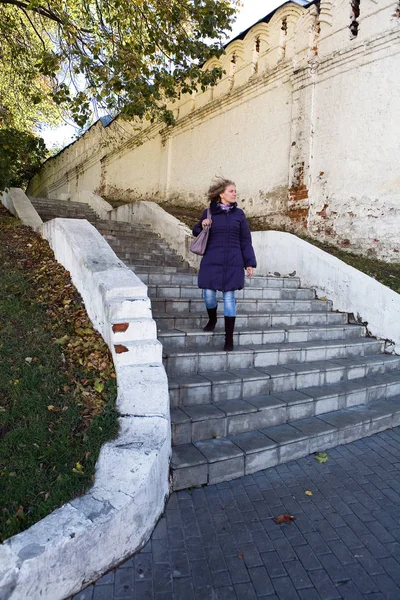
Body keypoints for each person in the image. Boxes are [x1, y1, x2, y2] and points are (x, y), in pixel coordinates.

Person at [192, 178, 257, 351]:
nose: (235, 193)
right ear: (221, 194)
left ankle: (229, 339)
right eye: (231, 191)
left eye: (235, 191)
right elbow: (196, 231)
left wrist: (249, 262)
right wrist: (202, 225)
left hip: (234, 261)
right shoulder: (209, 212)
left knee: (229, 297)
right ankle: (212, 319)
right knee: (208, 294)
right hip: (212, 259)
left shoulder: (239, 215)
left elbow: (245, 240)